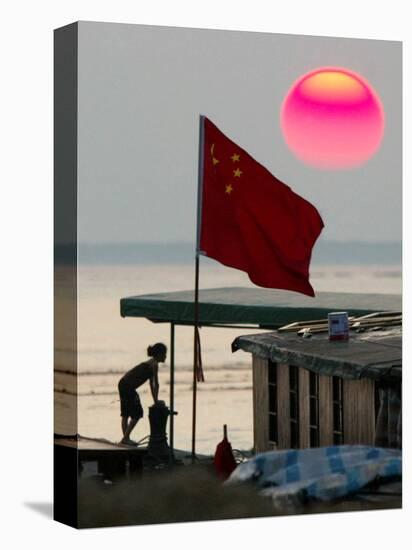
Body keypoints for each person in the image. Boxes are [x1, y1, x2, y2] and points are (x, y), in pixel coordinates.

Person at [118, 342, 167, 445]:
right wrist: (156, 401)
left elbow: (152, 384)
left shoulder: (151, 362)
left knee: (125, 413)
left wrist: (155, 400)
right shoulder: (154, 365)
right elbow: (155, 384)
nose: (166, 356)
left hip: (122, 383)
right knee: (137, 413)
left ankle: (125, 440)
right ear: (158, 354)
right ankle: (125, 439)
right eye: (164, 354)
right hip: (128, 386)